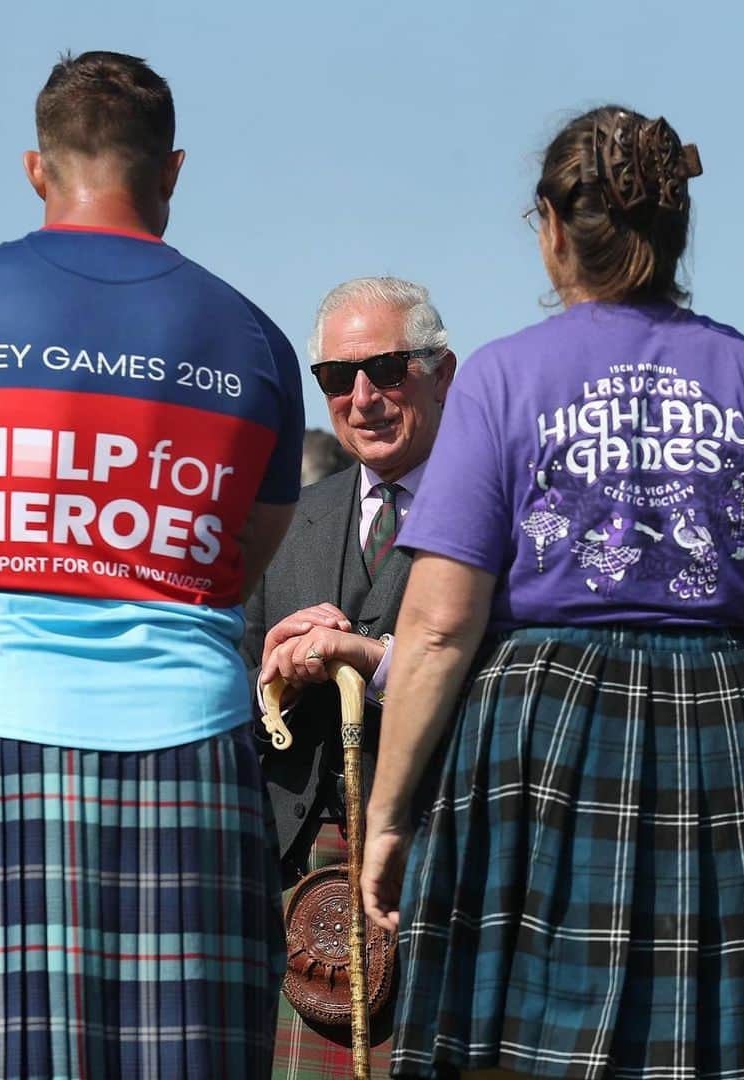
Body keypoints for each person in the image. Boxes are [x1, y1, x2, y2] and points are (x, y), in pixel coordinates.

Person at [361, 106, 744, 1079]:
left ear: (551, 227)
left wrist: (388, 816)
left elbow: (435, 629)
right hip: (731, 736)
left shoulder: (502, 377)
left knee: (521, 1051)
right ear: (678, 230)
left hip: (540, 730)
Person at [0, 52, 304, 1079]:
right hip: (190, 742)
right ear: (173, 169)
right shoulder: (251, 340)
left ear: (34, 168)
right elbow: (241, 559)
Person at [240, 277, 455, 1079]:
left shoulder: (500, 513)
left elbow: (509, 680)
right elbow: (235, 694)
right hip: (310, 894)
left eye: (388, 369)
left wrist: (377, 662)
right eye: (336, 377)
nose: (361, 398)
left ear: (444, 371)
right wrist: (273, 681)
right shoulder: (291, 518)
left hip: (443, 874)